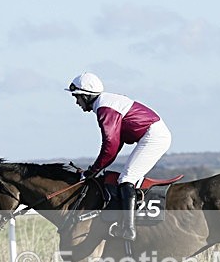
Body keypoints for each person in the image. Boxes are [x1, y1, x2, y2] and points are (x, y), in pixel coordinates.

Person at [66, 72, 171, 241]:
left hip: (153, 136)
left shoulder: (105, 108)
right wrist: (98, 167)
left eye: (77, 97)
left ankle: (128, 229)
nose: (76, 102)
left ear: (85, 96)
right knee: (127, 177)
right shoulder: (105, 103)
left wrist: (93, 170)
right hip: (152, 134)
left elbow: (110, 145)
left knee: (126, 178)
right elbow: (115, 145)